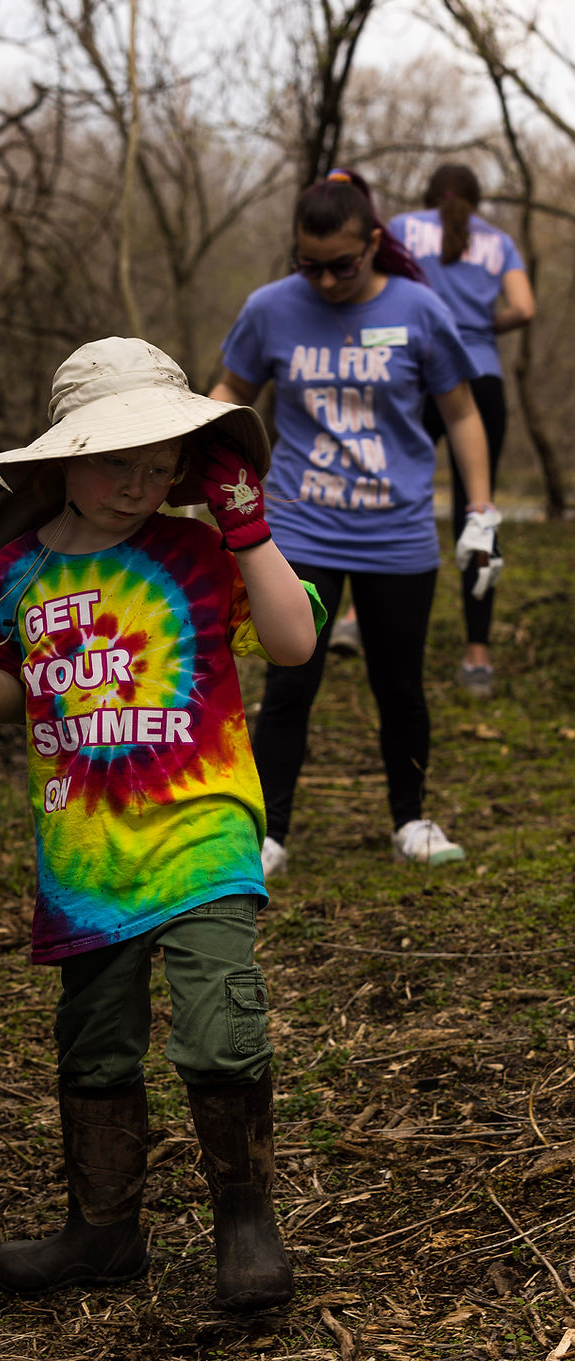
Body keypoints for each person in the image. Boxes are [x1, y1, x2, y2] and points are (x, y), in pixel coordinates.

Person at [0, 337, 321, 1312]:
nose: (139, 484)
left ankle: (245, 1226)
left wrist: (248, 531)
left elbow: (292, 641)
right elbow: (23, 689)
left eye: (159, 466)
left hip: (199, 833)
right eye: (115, 463)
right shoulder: (14, 574)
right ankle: (101, 1230)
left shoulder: (196, 552)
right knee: (93, 1043)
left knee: (220, 1027)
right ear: (63, 458)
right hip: (86, 856)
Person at [210, 167, 496, 878]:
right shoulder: (271, 309)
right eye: (309, 266)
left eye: (342, 265)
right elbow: (230, 390)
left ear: (373, 242)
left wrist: (482, 511)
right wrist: (193, 461)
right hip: (300, 529)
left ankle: (411, 819)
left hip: (397, 535)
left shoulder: (419, 309)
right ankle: (268, 833)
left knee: (399, 685)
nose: (327, 282)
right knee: (289, 685)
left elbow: (461, 412)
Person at [390, 164, 535, 696]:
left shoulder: (404, 227)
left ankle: (360, 615)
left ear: (429, 194)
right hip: (482, 378)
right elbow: (524, 307)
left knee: (395, 489)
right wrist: (481, 325)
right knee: (478, 510)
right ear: (474, 200)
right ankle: (478, 655)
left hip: (416, 376)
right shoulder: (500, 242)